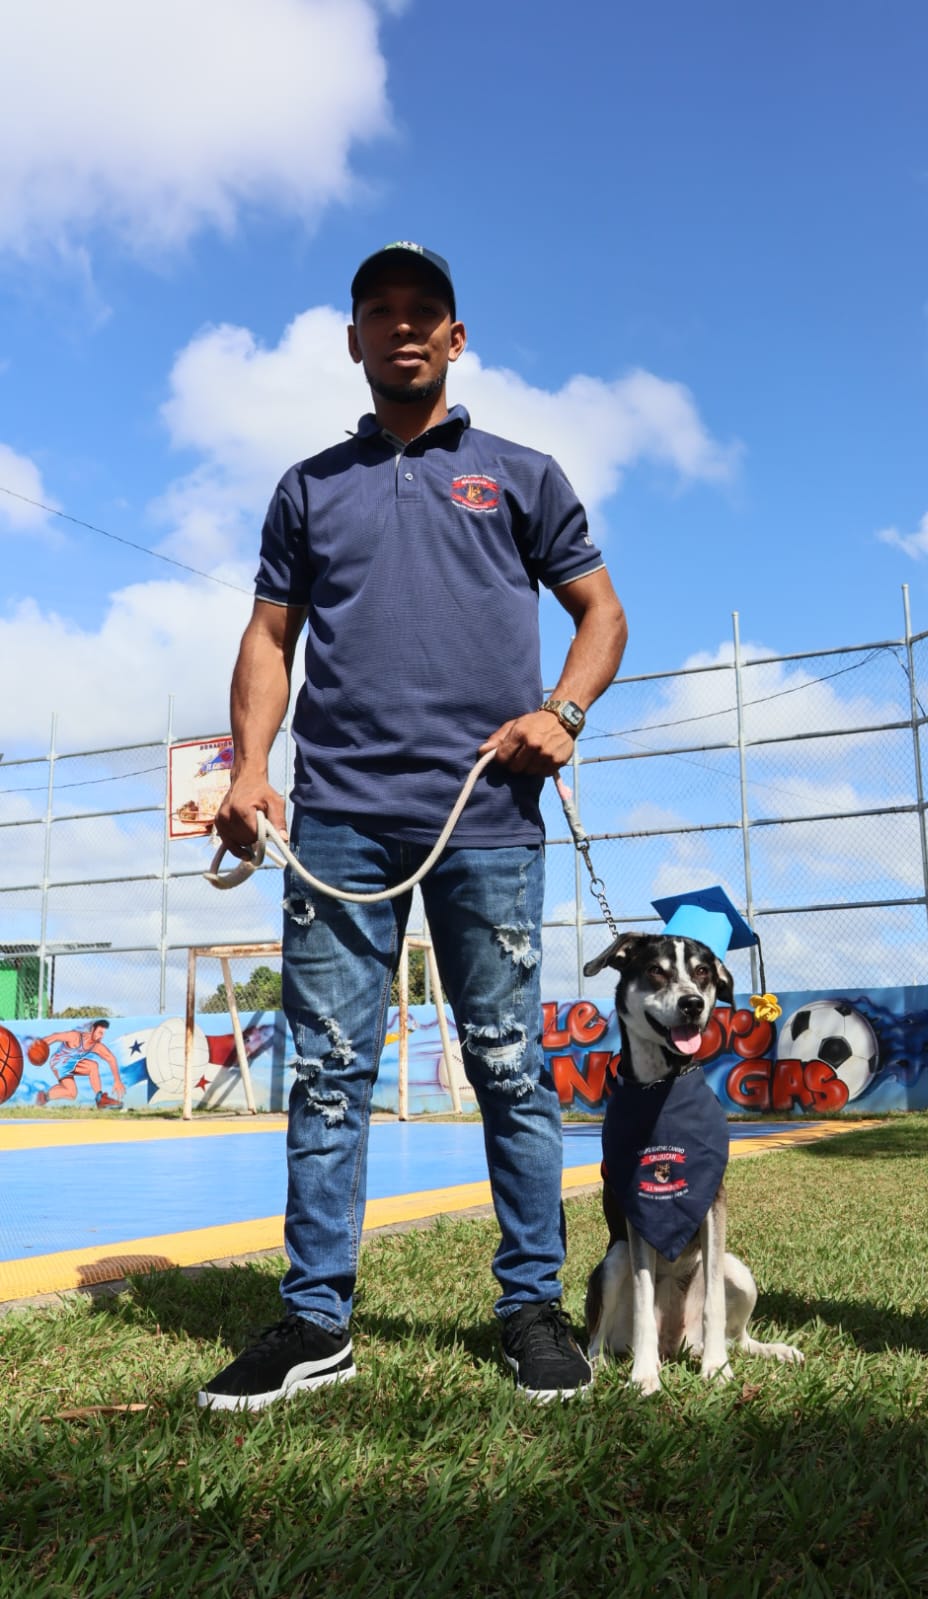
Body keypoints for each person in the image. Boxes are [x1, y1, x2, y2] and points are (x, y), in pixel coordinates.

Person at [198, 241, 627, 1411]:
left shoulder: (520, 475)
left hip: (487, 817)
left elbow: (600, 614)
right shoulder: (308, 487)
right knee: (328, 1073)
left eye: (423, 311)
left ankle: (531, 1308)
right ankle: (315, 1320)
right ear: (352, 339)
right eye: (379, 311)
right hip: (337, 820)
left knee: (507, 1066)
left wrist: (562, 712)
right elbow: (269, 639)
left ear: (455, 336)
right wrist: (250, 770)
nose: (402, 326)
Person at [34, 1020, 124, 1108]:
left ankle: (100, 1099)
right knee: (72, 1093)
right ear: (93, 1030)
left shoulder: (96, 1046)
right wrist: (38, 1046)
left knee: (93, 1066)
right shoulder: (76, 1037)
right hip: (59, 1062)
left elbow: (111, 1058)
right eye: (100, 1032)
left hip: (72, 1063)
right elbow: (56, 1036)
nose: (101, 1036)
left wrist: (117, 1080)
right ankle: (44, 1097)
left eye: (103, 1034)